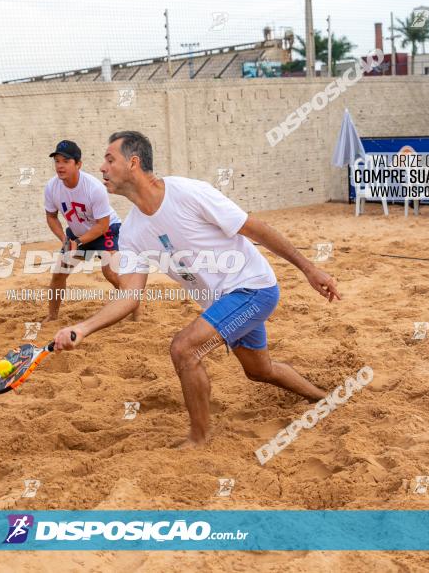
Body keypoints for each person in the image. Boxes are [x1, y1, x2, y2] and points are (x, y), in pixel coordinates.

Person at [52, 131, 340, 448]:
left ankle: (198, 440)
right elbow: (130, 295)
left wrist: (310, 269)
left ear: (133, 163)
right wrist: (83, 328)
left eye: (110, 159)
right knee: (260, 370)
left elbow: (254, 227)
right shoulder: (132, 231)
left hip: (253, 288)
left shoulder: (188, 193)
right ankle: (324, 398)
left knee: (183, 349)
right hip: (222, 302)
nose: (102, 168)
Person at [42, 140, 137, 321]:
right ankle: (52, 316)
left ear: (78, 164)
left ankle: (135, 310)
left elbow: (102, 225)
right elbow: (51, 216)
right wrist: (64, 239)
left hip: (107, 229)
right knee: (58, 275)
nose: (60, 166)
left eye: (66, 161)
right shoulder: (52, 187)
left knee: (111, 273)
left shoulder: (94, 188)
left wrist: (77, 243)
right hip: (77, 233)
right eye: (57, 161)